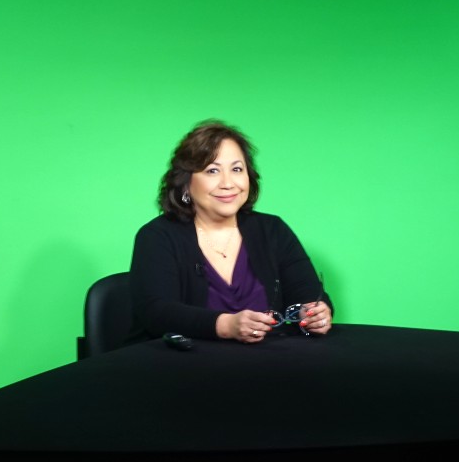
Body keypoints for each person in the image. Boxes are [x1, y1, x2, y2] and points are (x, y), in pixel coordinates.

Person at [130, 120, 333, 344]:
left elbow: (308, 294)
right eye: (212, 171)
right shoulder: (157, 236)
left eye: (237, 169)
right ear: (186, 183)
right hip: (186, 366)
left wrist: (315, 315)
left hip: (269, 365)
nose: (228, 183)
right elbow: (157, 313)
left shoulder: (272, 230)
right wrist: (226, 325)